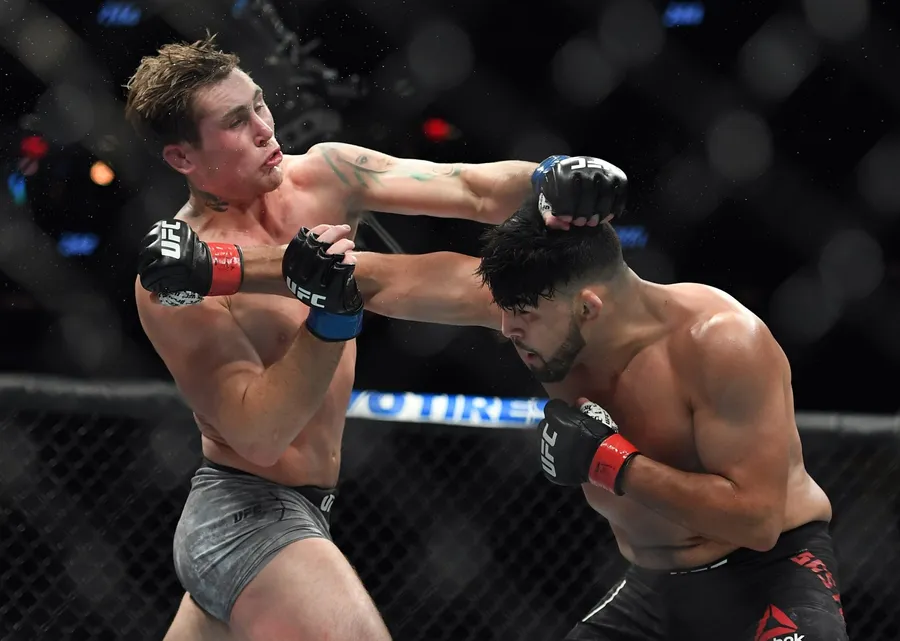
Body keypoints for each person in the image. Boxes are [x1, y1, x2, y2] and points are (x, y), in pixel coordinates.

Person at [151, 156, 848, 639]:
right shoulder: (534, 309)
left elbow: (758, 519)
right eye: (503, 313)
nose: (508, 333)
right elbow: (380, 277)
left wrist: (614, 464)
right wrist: (214, 266)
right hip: (655, 587)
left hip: (771, 574)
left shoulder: (721, 342)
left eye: (524, 320)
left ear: (589, 307)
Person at [129, 34, 606, 641]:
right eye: (234, 122)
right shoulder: (176, 278)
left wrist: (553, 180)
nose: (264, 129)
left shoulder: (325, 173)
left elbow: (471, 188)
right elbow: (260, 435)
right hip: (245, 515)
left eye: (258, 105)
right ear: (182, 158)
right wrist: (329, 317)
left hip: (307, 511)